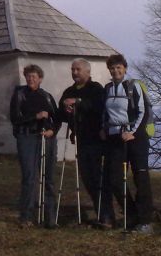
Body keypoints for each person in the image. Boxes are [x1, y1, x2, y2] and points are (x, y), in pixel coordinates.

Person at [100, 53, 155, 234]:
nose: (116, 71)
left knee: (141, 177)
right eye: (112, 68)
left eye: (119, 67)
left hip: (136, 138)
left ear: (125, 69)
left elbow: (143, 111)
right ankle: (131, 214)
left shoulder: (134, 86)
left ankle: (146, 220)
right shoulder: (108, 88)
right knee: (115, 178)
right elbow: (105, 113)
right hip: (115, 137)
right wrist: (103, 128)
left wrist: (132, 133)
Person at [56, 58, 110, 226]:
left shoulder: (96, 89)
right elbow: (61, 113)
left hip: (96, 138)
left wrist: (78, 102)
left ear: (87, 71)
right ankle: (100, 213)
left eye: (78, 69)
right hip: (80, 138)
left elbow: (98, 107)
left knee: (98, 177)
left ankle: (107, 216)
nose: (75, 73)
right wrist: (66, 109)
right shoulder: (69, 91)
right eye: (73, 70)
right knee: (87, 177)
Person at [9, 63, 60, 227]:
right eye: (28, 76)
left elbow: (56, 117)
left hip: (46, 138)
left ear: (40, 79)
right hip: (27, 137)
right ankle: (26, 216)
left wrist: (53, 130)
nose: (31, 79)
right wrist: (35, 116)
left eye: (34, 76)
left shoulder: (46, 96)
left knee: (48, 178)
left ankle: (50, 217)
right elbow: (15, 118)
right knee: (29, 178)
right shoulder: (19, 94)